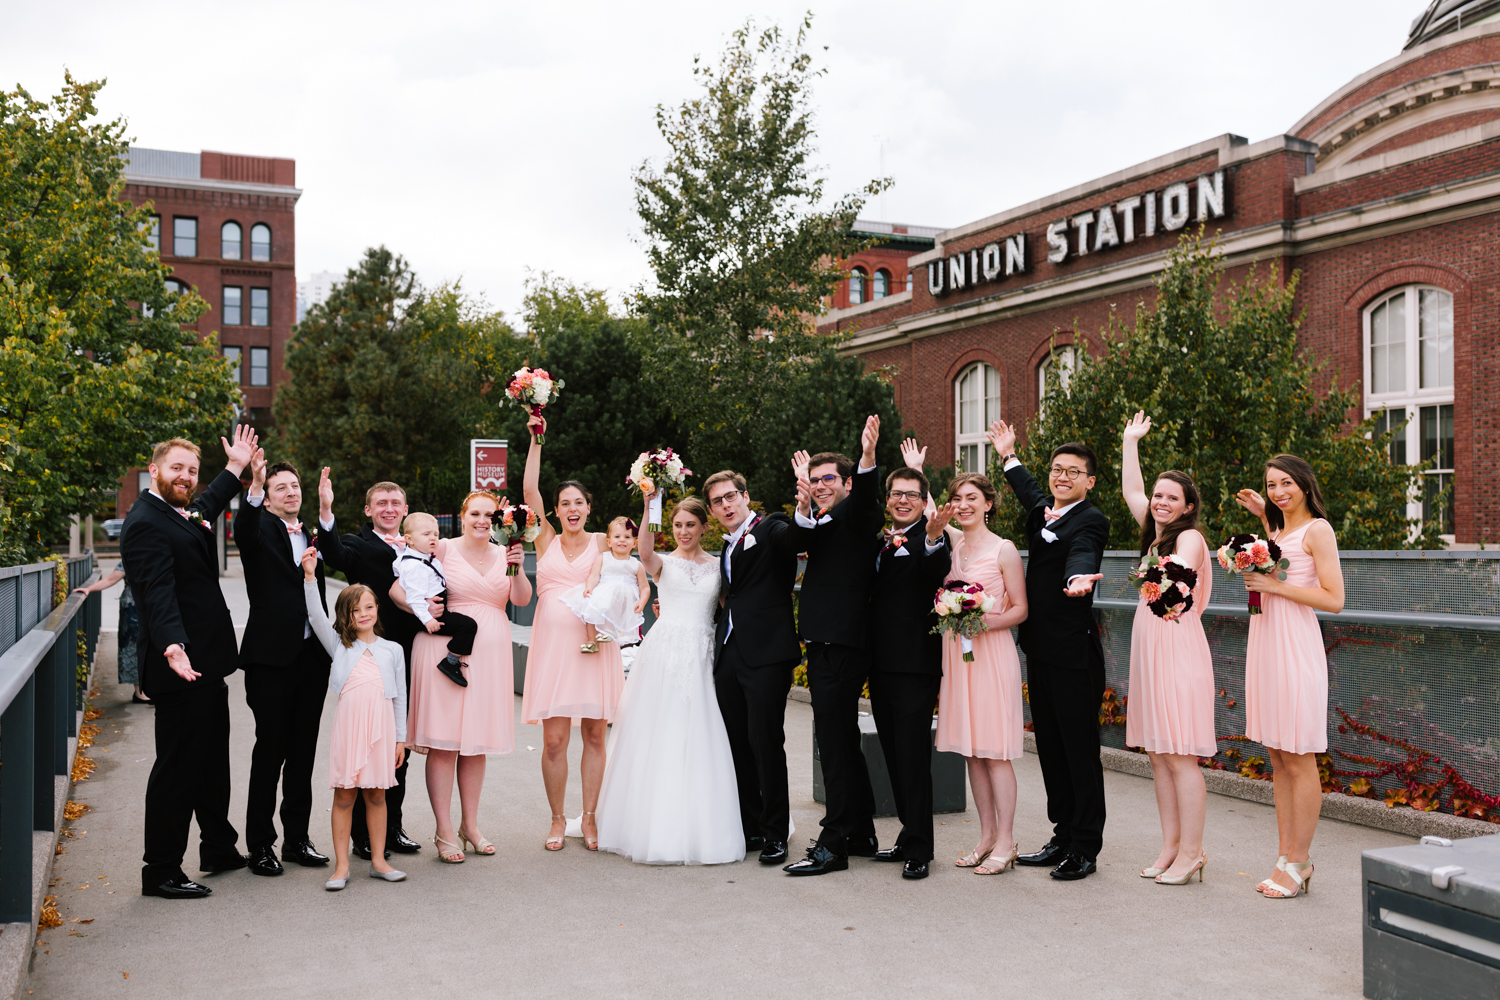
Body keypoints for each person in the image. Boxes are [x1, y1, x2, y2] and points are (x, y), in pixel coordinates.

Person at [122, 427, 258, 899]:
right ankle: (160, 869)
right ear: (154, 469)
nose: (186, 477)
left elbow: (207, 507)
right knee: (178, 770)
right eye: (176, 468)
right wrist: (173, 646)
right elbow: (157, 593)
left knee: (210, 763)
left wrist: (235, 467)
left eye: (192, 471)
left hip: (206, 666)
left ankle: (218, 846)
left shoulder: (176, 513)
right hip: (179, 669)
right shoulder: (145, 522)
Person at [988, 419, 1110, 881]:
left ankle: (1085, 846)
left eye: (1073, 472)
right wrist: (1008, 456)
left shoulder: (1091, 520)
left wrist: (1079, 576)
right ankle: (1062, 834)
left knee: (1079, 752)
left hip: (1074, 657)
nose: (1062, 477)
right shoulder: (1045, 511)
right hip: (1039, 651)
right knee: (1052, 750)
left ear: (1089, 481)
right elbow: (1030, 494)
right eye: (1058, 469)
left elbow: (1083, 550)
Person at [594, 492, 744, 865]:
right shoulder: (661, 563)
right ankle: (653, 823)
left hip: (704, 651)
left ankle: (706, 821)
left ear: (704, 527)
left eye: (690, 525)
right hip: (666, 652)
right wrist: (648, 507)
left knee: (704, 731)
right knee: (662, 729)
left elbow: (729, 608)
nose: (683, 531)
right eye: (677, 525)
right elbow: (644, 551)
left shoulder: (717, 565)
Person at [1235, 454, 1345, 900]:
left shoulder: (1318, 529)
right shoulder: (1278, 532)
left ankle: (1300, 859)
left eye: (1286, 484)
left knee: (1299, 757)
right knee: (1278, 756)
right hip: (1265, 646)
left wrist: (1274, 586)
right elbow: (1281, 557)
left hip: (1295, 648)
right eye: (1271, 485)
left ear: (1303, 484)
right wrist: (1264, 520)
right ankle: (1284, 855)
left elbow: (1334, 598)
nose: (1279, 491)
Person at [781, 415, 886, 876]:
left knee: (833, 739)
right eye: (814, 479)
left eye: (829, 479)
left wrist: (866, 459)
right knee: (839, 737)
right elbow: (797, 539)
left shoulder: (859, 515)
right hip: (822, 641)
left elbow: (865, 501)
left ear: (846, 482)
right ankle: (860, 830)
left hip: (846, 642)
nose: (821, 486)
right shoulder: (817, 521)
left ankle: (835, 840)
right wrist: (803, 501)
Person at [401, 490, 529, 863]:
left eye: (490, 515)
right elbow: (399, 586)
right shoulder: (441, 548)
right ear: (462, 515)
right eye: (475, 513)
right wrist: (423, 604)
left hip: (490, 655)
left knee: (475, 744)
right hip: (444, 651)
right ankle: (443, 830)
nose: (482, 520)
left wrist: (517, 565)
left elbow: (520, 600)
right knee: (445, 743)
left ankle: (469, 825)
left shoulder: (506, 553)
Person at [1120, 412, 1216, 885]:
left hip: (1178, 652)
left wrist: (1151, 569)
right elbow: (1131, 492)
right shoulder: (1155, 536)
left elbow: (1176, 585)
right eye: (1158, 496)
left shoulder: (1190, 539)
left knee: (1179, 755)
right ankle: (1170, 846)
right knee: (1158, 754)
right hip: (1150, 653)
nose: (1159, 502)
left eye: (1170, 497)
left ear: (1188, 505)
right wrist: (1129, 441)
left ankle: (1193, 852)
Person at [521, 414, 623, 852]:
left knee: (596, 736)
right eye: (564, 503)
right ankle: (558, 819)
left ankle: (591, 817)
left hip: (594, 649)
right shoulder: (544, 540)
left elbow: (645, 548)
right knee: (554, 740)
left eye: (578, 502)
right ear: (557, 511)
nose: (572, 509)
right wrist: (536, 439)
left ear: (588, 508)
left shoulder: (604, 542)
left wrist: (650, 493)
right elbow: (529, 492)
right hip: (553, 653)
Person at [234, 458, 336, 876]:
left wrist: (327, 512)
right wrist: (254, 488)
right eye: (282, 488)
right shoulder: (258, 529)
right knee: (269, 753)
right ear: (269, 499)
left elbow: (334, 557)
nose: (292, 492)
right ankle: (260, 844)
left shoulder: (310, 531)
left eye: (295, 486)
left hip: (312, 661)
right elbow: (243, 528)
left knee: (303, 755)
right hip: (271, 661)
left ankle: (297, 839)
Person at [318, 481, 425, 859]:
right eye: (381, 503)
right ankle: (362, 835)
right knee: (366, 747)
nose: (389, 508)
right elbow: (333, 554)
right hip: (371, 656)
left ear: (405, 508)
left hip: (412, 653)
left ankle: (391, 828)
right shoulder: (358, 545)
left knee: (399, 749)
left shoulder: (418, 545)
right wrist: (326, 510)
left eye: (396, 502)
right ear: (368, 510)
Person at [932, 472, 1030, 876]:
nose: (964, 504)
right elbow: (929, 514)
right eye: (957, 497)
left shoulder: (1004, 549)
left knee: (995, 751)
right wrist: (917, 469)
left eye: (972, 497)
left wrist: (980, 621)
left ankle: (1007, 841)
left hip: (990, 654)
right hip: (958, 656)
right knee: (972, 751)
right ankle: (986, 834)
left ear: (988, 504)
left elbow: (1021, 609)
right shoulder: (955, 544)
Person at [865, 443, 954, 880]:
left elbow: (935, 568)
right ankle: (906, 832)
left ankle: (921, 847)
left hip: (916, 666)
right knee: (894, 755)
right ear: (888, 500)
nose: (903, 500)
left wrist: (935, 535)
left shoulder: (931, 538)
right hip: (879, 665)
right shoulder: (880, 541)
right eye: (896, 494)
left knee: (913, 756)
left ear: (923, 501)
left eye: (911, 495)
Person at [707, 467, 801, 865]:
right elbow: (733, 594)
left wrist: (805, 507)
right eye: (718, 501)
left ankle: (776, 832)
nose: (726, 505)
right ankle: (751, 826)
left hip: (767, 655)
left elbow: (795, 539)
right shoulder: (726, 547)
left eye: (731, 496)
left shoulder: (772, 527)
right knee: (737, 745)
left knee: (765, 742)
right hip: (729, 654)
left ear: (746, 496)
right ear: (712, 511)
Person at [300, 547, 408, 890]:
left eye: (369, 607)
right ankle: (342, 865)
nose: (363, 613)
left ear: (378, 610)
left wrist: (400, 738)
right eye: (355, 609)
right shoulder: (339, 646)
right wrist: (309, 577)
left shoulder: (393, 650)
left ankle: (378, 860)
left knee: (377, 796)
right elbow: (316, 615)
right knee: (345, 796)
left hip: (382, 730)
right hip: (350, 730)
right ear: (345, 616)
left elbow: (400, 697)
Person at [394, 512, 478, 688]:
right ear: (408, 539)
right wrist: (428, 619)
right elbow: (414, 598)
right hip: (431, 615)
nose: (433, 538)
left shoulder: (423, 557)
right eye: (426, 534)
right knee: (468, 625)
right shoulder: (414, 566)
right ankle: (451, 661)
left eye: (436, 534)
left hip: (436, 608)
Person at [559, 515, 650, 652]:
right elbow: (594, 576)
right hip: (604, 593)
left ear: (634, 543)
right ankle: (592, 641)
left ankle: (611, 632)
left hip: (624, 598)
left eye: (627, 537)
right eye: (617, 537)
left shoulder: (636, 565)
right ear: (609, 542)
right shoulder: (603, 558)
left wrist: (642, 602)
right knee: (591, 607)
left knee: (617, 607)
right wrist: (589, 587)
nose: (622, 540)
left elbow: (644, 587)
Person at [73, 566, 146, 703]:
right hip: (132, 608)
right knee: (133, 646)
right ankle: (140, 692)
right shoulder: (130, 555)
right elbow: (110, 579)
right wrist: (89, 589)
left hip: (152, 605)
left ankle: (148, 690)